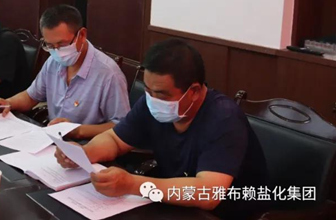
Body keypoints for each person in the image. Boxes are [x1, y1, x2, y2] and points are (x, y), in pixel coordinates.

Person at [55, 39, 268, 219]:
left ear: (194, 91)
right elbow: (115, 139)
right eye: (148, 90)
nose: (152, 99)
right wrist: (84, 153)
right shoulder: (152, 102)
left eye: (161, 94)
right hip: (173, 206)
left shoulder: (224, 117)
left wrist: (133, 184)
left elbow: (208, 193)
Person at [0, 5, 130, 139]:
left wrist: (78, 131)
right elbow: (31, 96)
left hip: (89, 146)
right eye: (50, 45)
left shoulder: (108, 74)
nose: (57, 51)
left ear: (81, 35)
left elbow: (122, 127)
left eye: (62, 44)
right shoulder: (53, 61)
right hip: (53, 139)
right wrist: (8, 103)